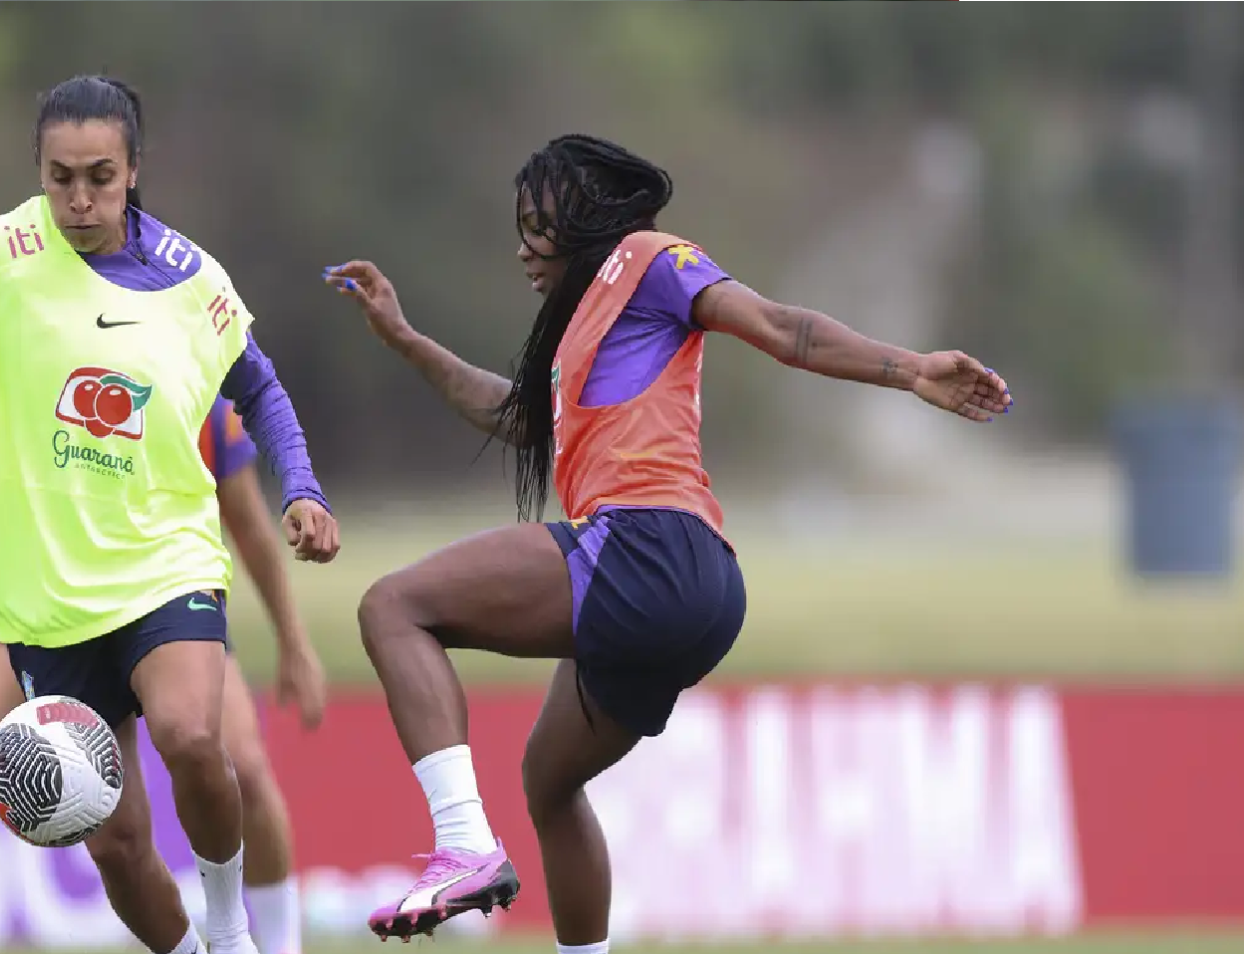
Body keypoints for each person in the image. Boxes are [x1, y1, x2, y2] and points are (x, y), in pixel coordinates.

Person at [324, 133, 1012, 949]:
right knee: (549, 782)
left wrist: (909, 371)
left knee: (393, 606)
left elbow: (780, 327)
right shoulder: (583, 329)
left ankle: (465, 847)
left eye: (537, 224)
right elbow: (511, 418)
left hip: (648, 548)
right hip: (697, 590)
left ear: (582, 220)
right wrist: (407, 340)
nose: (522, 247)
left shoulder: (649, 258)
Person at [0, 74, 340, 954]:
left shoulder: (192, 278)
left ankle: (230, 931)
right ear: (37, 170)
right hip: (47, 605)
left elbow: (260, 389)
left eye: (100, 177)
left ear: (134, 170)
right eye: (60, 176)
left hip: (166, 567)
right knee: (115, 843)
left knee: (193, 737)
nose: (79, 198)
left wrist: (303, 487)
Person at [0, 368, 323, 954]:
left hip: (165, 594)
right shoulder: (22, 370)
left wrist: (294, 640)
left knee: (239, 762)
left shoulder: (190, 380)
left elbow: (250, 523)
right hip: (36, 600)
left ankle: (279, 944)